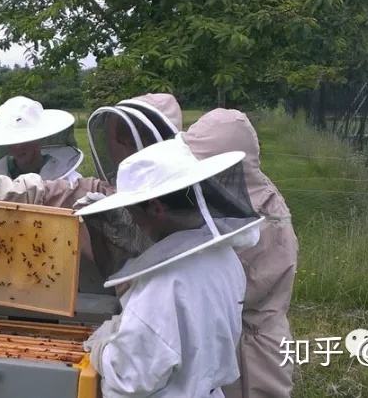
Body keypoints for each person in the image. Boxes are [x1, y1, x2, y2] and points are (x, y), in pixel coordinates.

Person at [75, 137, 264, 398]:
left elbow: (131, 375)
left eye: (131, 211)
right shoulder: (224, 256)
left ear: (156, 208)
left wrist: (103, 347)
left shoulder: (165, 283)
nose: (132, 221)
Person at [0, 94, 183, 286]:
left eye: (126, 141)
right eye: (118, 140)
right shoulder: (98, 188)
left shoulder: (186, 199)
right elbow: (52, 191)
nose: (116, 147)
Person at [184, 109, 298, 398]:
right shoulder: (246, 196)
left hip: (252, 351)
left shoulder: (259, 219)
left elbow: (233, 288)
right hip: (238, 336)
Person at [0, 96, 84, 182]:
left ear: (37, 139)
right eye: (12, 140)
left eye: (24, 139)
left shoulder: (67, 176)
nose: (18, 147)